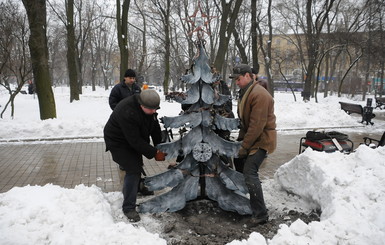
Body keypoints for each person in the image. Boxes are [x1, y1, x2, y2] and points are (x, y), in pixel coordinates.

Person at [103, 89, 167, 222]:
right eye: (151, 109)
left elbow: (154, 127)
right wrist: (154, 153)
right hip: (118, 140)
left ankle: (138, 187)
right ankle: (128, 208)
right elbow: (135, 141)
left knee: (136, 164)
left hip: (132, 137)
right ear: (141, 105)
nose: (154, 112)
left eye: (156, 109)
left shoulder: (149, 108)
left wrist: (159, 146)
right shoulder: (127, 111)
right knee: (133, 169)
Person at [230, 64, 277, 226]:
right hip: (252, 138)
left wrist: (244, 147)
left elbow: (256, 126)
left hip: (262, 140)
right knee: (238, 162)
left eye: (238, 79)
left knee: (250, 173)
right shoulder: (247, 92)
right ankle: (247, 200)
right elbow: (245, 122)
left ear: (249, 76)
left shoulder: (259, 95)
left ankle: (260, 214)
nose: (236, 82)